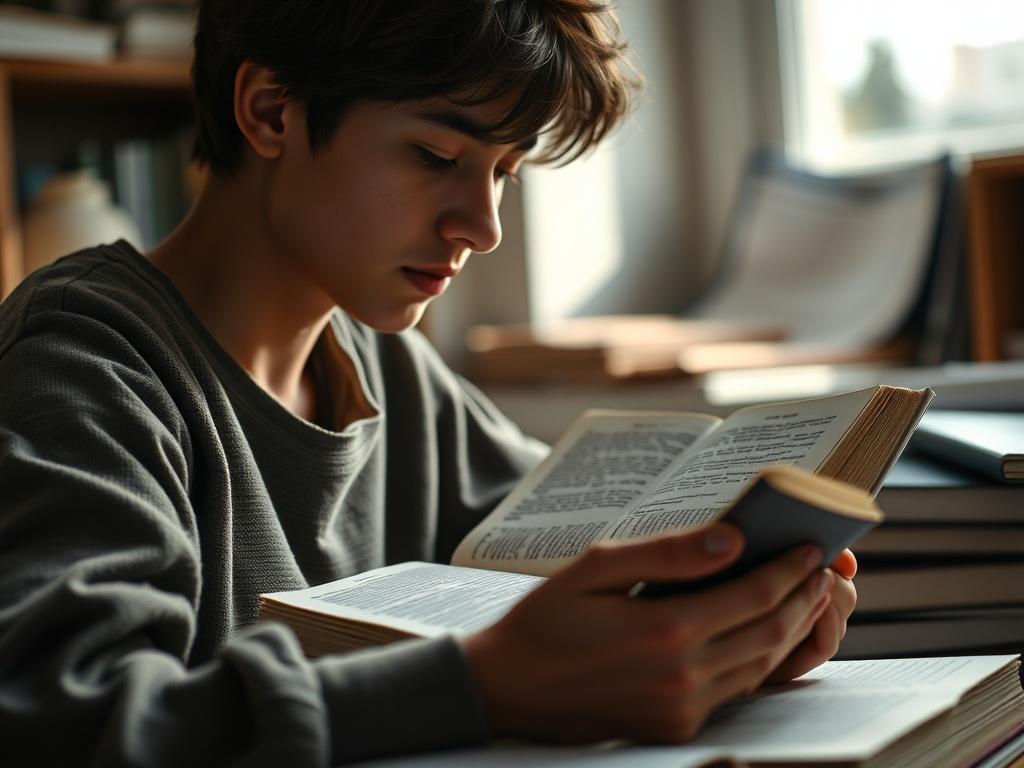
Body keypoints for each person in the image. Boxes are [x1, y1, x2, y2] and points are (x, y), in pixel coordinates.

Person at [0, 1, 857, 765]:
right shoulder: (84, 357)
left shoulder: (389, 364)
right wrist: (480, 687)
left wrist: (727, 628)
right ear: (269, 110)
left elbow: (564, 543)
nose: (480, 227)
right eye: (433, 153)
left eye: (503, 172)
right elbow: (61, 722)